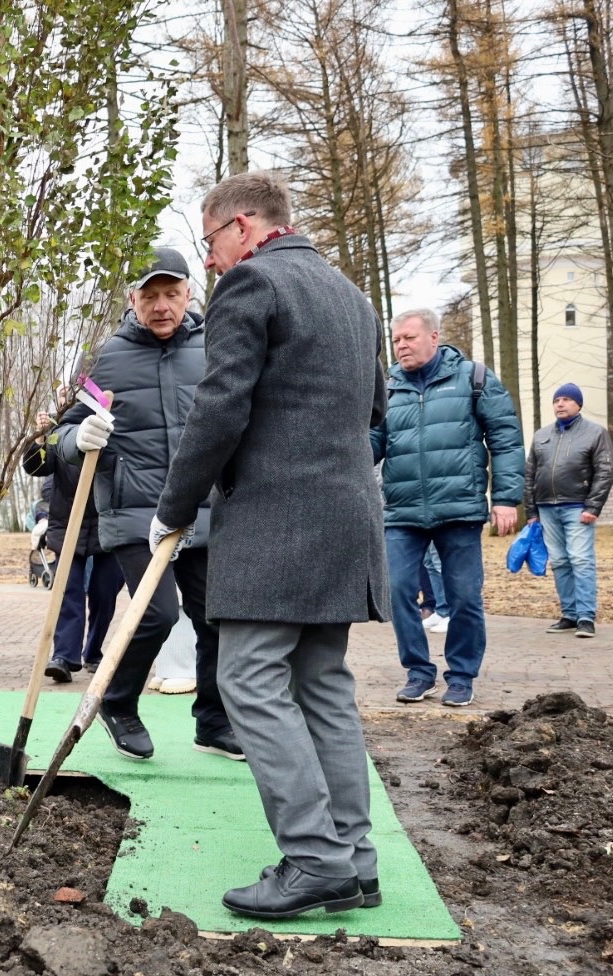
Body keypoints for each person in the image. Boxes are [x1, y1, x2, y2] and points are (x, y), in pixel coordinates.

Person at [153, 171, 388, 919]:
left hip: (278, 525)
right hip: (347, 518)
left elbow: (219, 409)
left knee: (250, 680)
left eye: (213, 241)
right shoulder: (354, 298)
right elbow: (377, 412)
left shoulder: (252, 286)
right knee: (322, 684)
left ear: (246, 227)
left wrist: (174, 507)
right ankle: (355, 860)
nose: (213, 260)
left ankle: (314, 860)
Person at [51, 246, 237, 762]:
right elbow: (60, 433)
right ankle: (118, 703)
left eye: (171, 294)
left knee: (216, 617)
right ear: (132, 299)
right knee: (156, 615)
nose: (161, 306)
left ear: (190, 295)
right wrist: (77, 439)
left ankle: (214, 721)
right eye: (150, 295)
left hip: (203, 508)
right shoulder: (104, 357)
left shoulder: (216, 347)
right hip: (136, 511)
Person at [370, 308, 524, 708]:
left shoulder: (474, 378)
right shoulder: (387, 387)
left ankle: (461, 675)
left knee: (464, 597)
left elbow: (506, 439)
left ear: (434, 337)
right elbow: (371, 442)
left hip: (459, 509)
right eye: (397, 339)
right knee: (398, 590)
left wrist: (507, 498)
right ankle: (419, 672)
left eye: (409, 338)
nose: (401, 346)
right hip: (402, 511)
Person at [23, 410, 123, 682]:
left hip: (109, 526)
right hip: (69, 526)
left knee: (105, 594)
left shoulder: (117, 424)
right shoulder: (61, 430)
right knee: (69, 593)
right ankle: (64, 657)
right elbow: (36, 468)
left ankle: (93, 652)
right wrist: (40, 439)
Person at [523, 384, 613, 638]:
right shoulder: (541, 436)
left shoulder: (596, 433)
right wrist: (531, 512)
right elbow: (529, 474)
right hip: (546, 507)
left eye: (566, 400)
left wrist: (593, 506)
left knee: (581, 560)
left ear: (579, 405)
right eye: (557, 400)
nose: (560, 404)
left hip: (578, 507)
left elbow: (605, 471)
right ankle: (569, 614)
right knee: (560, 562)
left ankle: (586, 616)